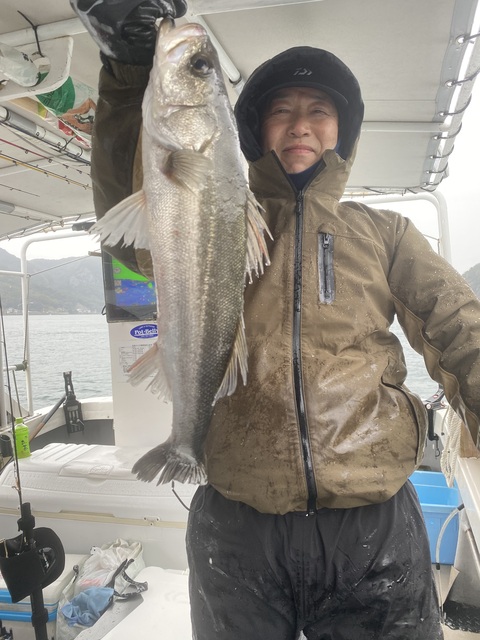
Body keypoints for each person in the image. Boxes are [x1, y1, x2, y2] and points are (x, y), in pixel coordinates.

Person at [71, 2, 480, 638]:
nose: (300, 125)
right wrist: (128, 71)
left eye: (319, 110)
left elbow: (459, 327)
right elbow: (134, 218)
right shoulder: (218, 216)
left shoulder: (386, 233)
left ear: (343, 129)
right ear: (253, 127)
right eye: (281, 109)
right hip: (237, 525)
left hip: (372, 526)